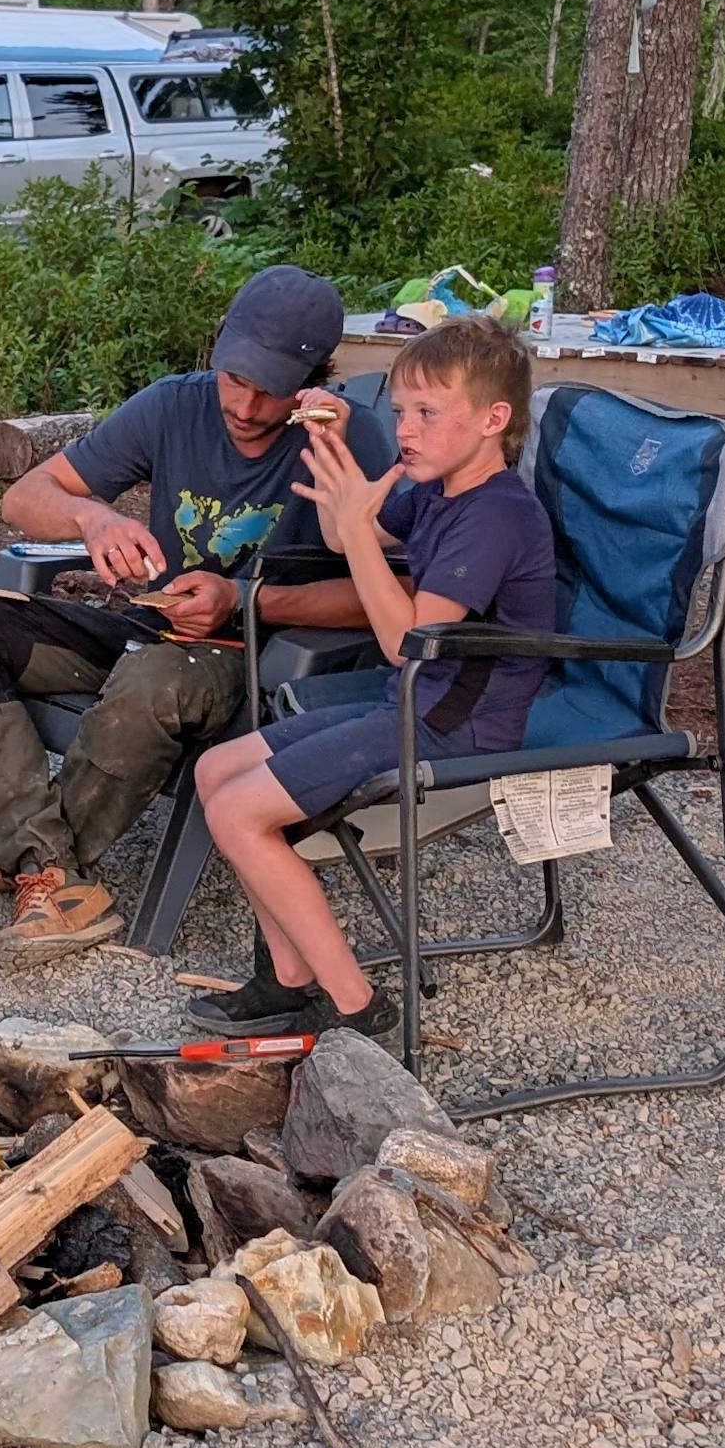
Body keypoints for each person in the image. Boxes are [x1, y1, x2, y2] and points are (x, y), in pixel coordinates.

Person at [0, 263, 353, 969]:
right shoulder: (175, 404)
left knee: (153, 678)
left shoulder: (346, 438)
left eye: (270, 390)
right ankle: (44, 867)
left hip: (256, 658)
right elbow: (24, 497)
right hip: (152, 630)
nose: (245, 404)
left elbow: (390, 602)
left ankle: (18, 859)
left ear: (317, 377)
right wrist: (93, 517)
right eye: (234, 378)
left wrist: (244, 600)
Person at [178, 314, 556, 1034]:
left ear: (493, 420)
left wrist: (356, 532)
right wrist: (339, 476)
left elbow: (408, 643)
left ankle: (355, 1006)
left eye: (427, 412)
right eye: (401, 410)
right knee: (215, 771)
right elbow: (343, 534)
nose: (405, 429)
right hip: (410, 705)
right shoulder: (439, 488)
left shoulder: (497, 515)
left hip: (457, 728)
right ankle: (288, 980)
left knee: (239, 811)